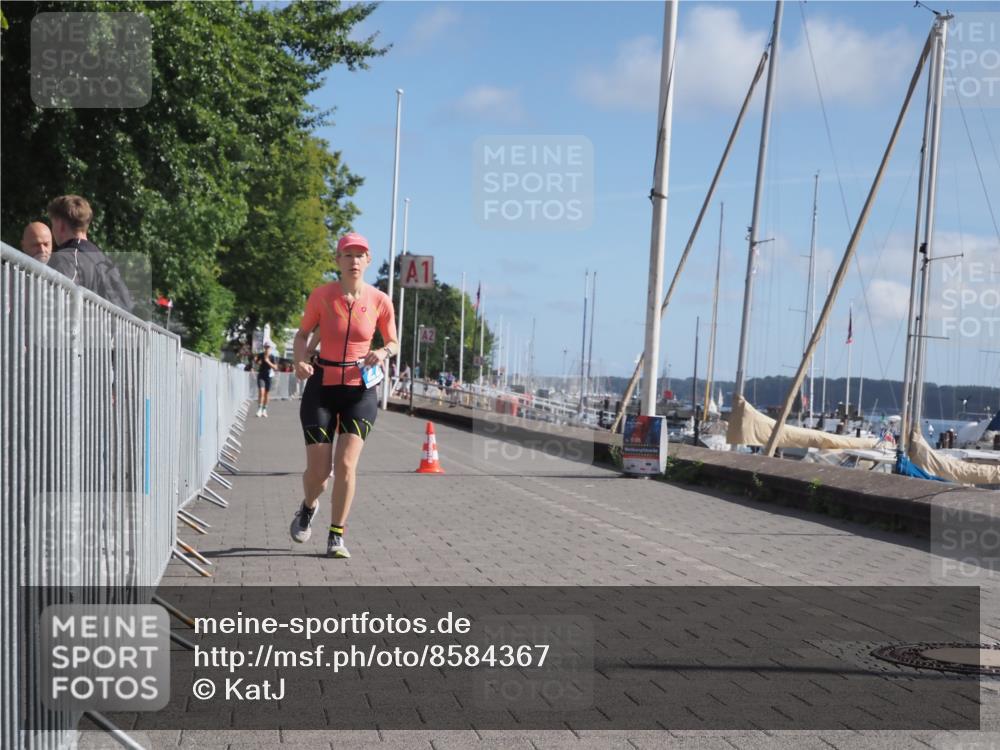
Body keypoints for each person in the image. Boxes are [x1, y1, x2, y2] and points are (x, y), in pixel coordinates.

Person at [290, 232, 398, 558]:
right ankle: (308, 507)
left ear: (368, 260)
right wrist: (299, 362)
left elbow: (393, 341)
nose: (354, 261)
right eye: (347, 255)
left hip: (360, 389)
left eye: (360, 255)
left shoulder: (380, 300)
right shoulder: (322, 296)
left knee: (347, 465)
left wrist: (382, 352)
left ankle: (336, 534)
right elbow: (303, 333)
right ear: (338, 260)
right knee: (320, 475)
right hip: (322, 386)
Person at [46, 195, 134, 311]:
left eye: (53, 224)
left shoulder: (66, 258)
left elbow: (56, 304)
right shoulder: (105, 261)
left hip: (81, 327)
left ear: (61, 225)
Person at [255, 343, 278, 417]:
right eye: (265, 347)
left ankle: (264, 409)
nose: (267, 349)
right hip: (261, 375)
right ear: (264, 348)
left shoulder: (272, 357)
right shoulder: (261, 355)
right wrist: (257, 361)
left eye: (268, 347)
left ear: (270, 348)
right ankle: (259, 409)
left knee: (266, 393)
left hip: (268, 376)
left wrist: (268, 361)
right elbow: (256, 362)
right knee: (261, 392)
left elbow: (275, 367)